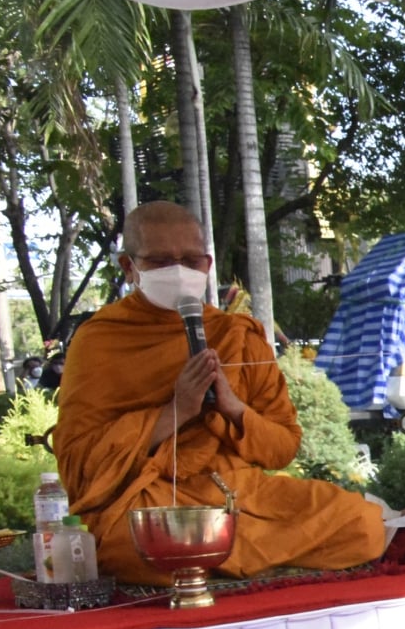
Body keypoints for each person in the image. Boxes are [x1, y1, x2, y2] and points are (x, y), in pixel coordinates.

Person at [55, 201, 386, 583]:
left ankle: (218, 560)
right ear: (129, 267)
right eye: (161, 261)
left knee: (361, 524)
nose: (179, 271)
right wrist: (175, 412)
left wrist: (234, 410)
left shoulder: (235, 334)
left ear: (208, 265)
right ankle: (243, 560)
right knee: (128, 545)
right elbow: (79, 464)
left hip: (238, 494)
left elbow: (283, 447)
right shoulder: (99, 340)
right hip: (152, 497)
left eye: (190, 261)